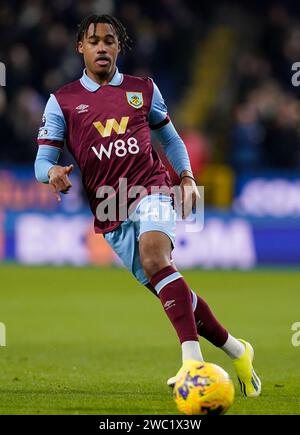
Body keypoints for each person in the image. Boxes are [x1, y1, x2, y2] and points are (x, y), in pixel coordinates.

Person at [34, 14, 261, 397]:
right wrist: (52, 172)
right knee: (172, 290)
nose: (102, 47)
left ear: (118, 46)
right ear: (81, 48)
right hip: (109, 209)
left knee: (157, 258)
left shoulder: (143, 90)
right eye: (94, 41)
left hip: (152, 190)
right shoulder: (63, 101)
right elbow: (42, 161)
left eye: (109, 40)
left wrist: (187, 177)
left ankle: (192, 363)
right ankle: (238, 350)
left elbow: (170, 140)